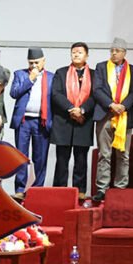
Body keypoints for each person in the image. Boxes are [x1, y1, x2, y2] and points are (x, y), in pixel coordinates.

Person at [91, 38, 133, 204]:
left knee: (123, 155)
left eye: (117, 51)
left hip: (124, 116)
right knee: (104, 154)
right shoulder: (101, 67)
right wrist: (111, 104)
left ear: (124, 53)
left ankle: (120, 187)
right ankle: (102, 189)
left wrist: (123, 106)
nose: (114, 53)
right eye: (112, 50)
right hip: (105, 114)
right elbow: (97, 90)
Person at [51, 42, 95, 198]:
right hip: (64, 120)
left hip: (84, 121)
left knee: (81, 159)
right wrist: (71, 108)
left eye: (80, 52)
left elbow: (95, 95)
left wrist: (82, 110)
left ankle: (80, 191)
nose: (76, 54)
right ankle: (59, 191)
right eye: (74, 52)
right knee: (62, 160)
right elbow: (56, 94)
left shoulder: (94, 74)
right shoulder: (61, 72)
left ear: (86, 56)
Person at [9, 48, 53, 197]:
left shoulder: (51, 77)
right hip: (23, 121)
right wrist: (30, 79)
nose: (34, 65)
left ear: (43, 61)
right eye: (31, 63)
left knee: (40, 157)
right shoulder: (20, 74)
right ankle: (20, 189)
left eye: (37, 62)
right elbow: (14, 93)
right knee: (21, 156)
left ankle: (37, 190)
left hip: (42, 122)